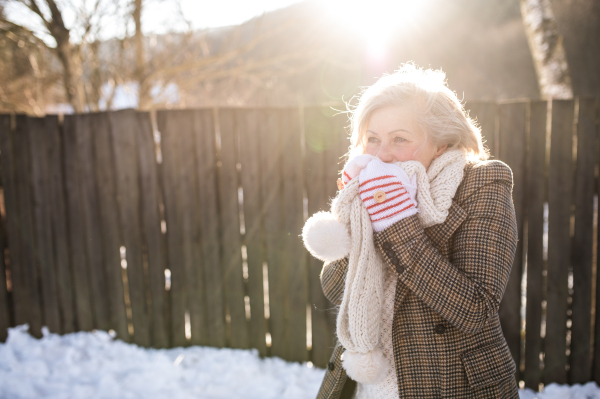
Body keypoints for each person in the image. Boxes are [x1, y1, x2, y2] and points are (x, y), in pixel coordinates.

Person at [302, 63, 519, 399]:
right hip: (369, 385)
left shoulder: (483, 183)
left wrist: (395, 223)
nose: (382, 155)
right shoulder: (371, 191)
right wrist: (357, 222)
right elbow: (333, 287)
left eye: (399, 139)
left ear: (442, 144)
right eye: (372, 139)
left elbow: (475, 309)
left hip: (450, 386)